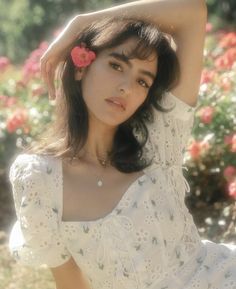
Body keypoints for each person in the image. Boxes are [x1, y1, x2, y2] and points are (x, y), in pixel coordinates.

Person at [7, 0, 236, 289]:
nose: (127, 86)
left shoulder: (157, 139)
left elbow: (192, 12)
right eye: (116, 65)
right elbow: (70, 284)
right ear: (81, 68)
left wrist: (82, 23)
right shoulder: (39, 177)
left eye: (143, 81)